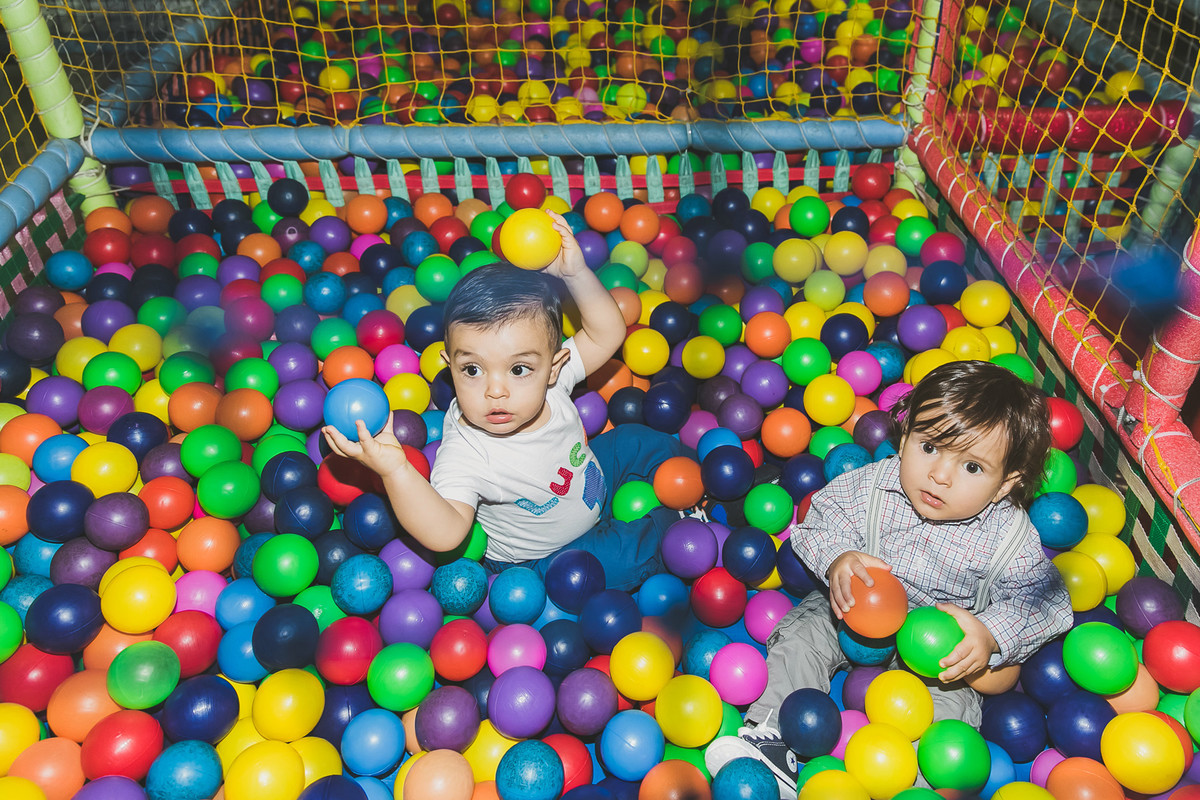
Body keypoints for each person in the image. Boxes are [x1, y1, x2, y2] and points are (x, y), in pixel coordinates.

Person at [706, 360, 1074, 797]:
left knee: (949, 716)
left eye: (972, 468)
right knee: (805, 631)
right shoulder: (875, 484)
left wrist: (989, 634)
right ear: (904, 438)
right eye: (929, 446)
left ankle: (909, 785)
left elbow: (1049, 603)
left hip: (939, 661)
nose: (940, 475)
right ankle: (773, 738)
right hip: (853, 611)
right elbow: (818, 518)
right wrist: (838, 557)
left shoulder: (1007, 535)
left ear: (1004, 485)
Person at [323, 210, 690, 591]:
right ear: (450, 367)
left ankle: (694, 471)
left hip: (592, 481)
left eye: (517, 370)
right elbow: (447, 533)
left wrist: (575, 275)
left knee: (634, 439)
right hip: (547, 557)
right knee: (621, 562)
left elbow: (608, 332)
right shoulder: (468, 451)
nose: (495, 391)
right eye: (472, 370)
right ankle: (684, 518)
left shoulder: (551, 381)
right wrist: (395, 470)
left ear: (554, 366)